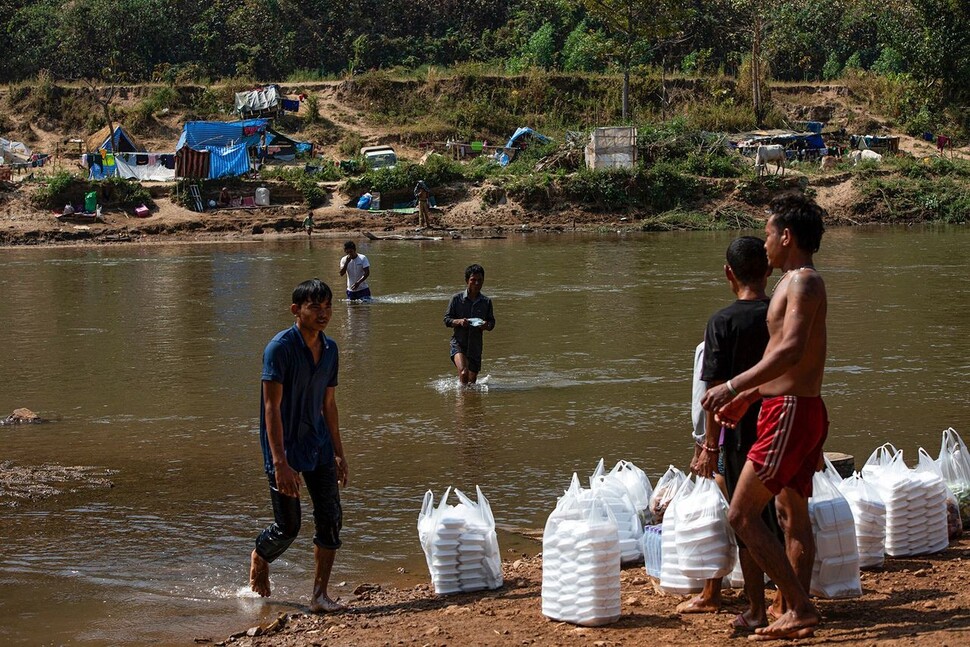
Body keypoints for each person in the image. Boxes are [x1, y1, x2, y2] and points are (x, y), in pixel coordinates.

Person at [702, 193, 828, 640]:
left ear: (787, 236)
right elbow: (786, 360)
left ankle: (799, 605)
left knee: (741, 515)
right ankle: (793, 608)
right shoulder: (791, 283)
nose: (767, 241)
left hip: (790, 411)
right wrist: (750, 396)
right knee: (791, 513)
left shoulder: (802, 283)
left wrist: (733, 385)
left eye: (770, 232)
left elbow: (791, 349)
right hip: (791, 405)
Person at [681, 236, 784, 631]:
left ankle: (757, 607)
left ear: (728, 273)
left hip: (742, 435)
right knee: (784, 518)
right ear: (769, 270)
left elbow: (714, 395)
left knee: (748, 522)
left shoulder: (722, 323)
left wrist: (710, 446)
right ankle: (785, 599)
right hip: (781, 426)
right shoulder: (781, 312)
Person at [249, 278, 349, 614]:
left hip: (318, 444)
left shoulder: (331, 349)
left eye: (327, 306)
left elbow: (329, 404)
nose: (323, 313)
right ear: (296, 310)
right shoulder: (279, 348)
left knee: (331, 517)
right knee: (288, 526)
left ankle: (320, 595)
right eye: (314, 307)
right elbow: (270, 408)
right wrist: (280, 462)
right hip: (285, 449)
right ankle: (261, 555)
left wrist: (338, 451)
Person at [443, 264, 495, 384]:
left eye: (480, 280)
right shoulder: (456, 299)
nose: (476, 283)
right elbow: (447, 320)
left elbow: (492, 322)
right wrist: (459, 321)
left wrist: (486, 325)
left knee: (472, 381)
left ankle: (468, 400)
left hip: (476, 346)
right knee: (463, 372)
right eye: (473, 280)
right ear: (467, 281)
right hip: (459, 343)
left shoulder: (486, 302)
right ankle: (462, 400)